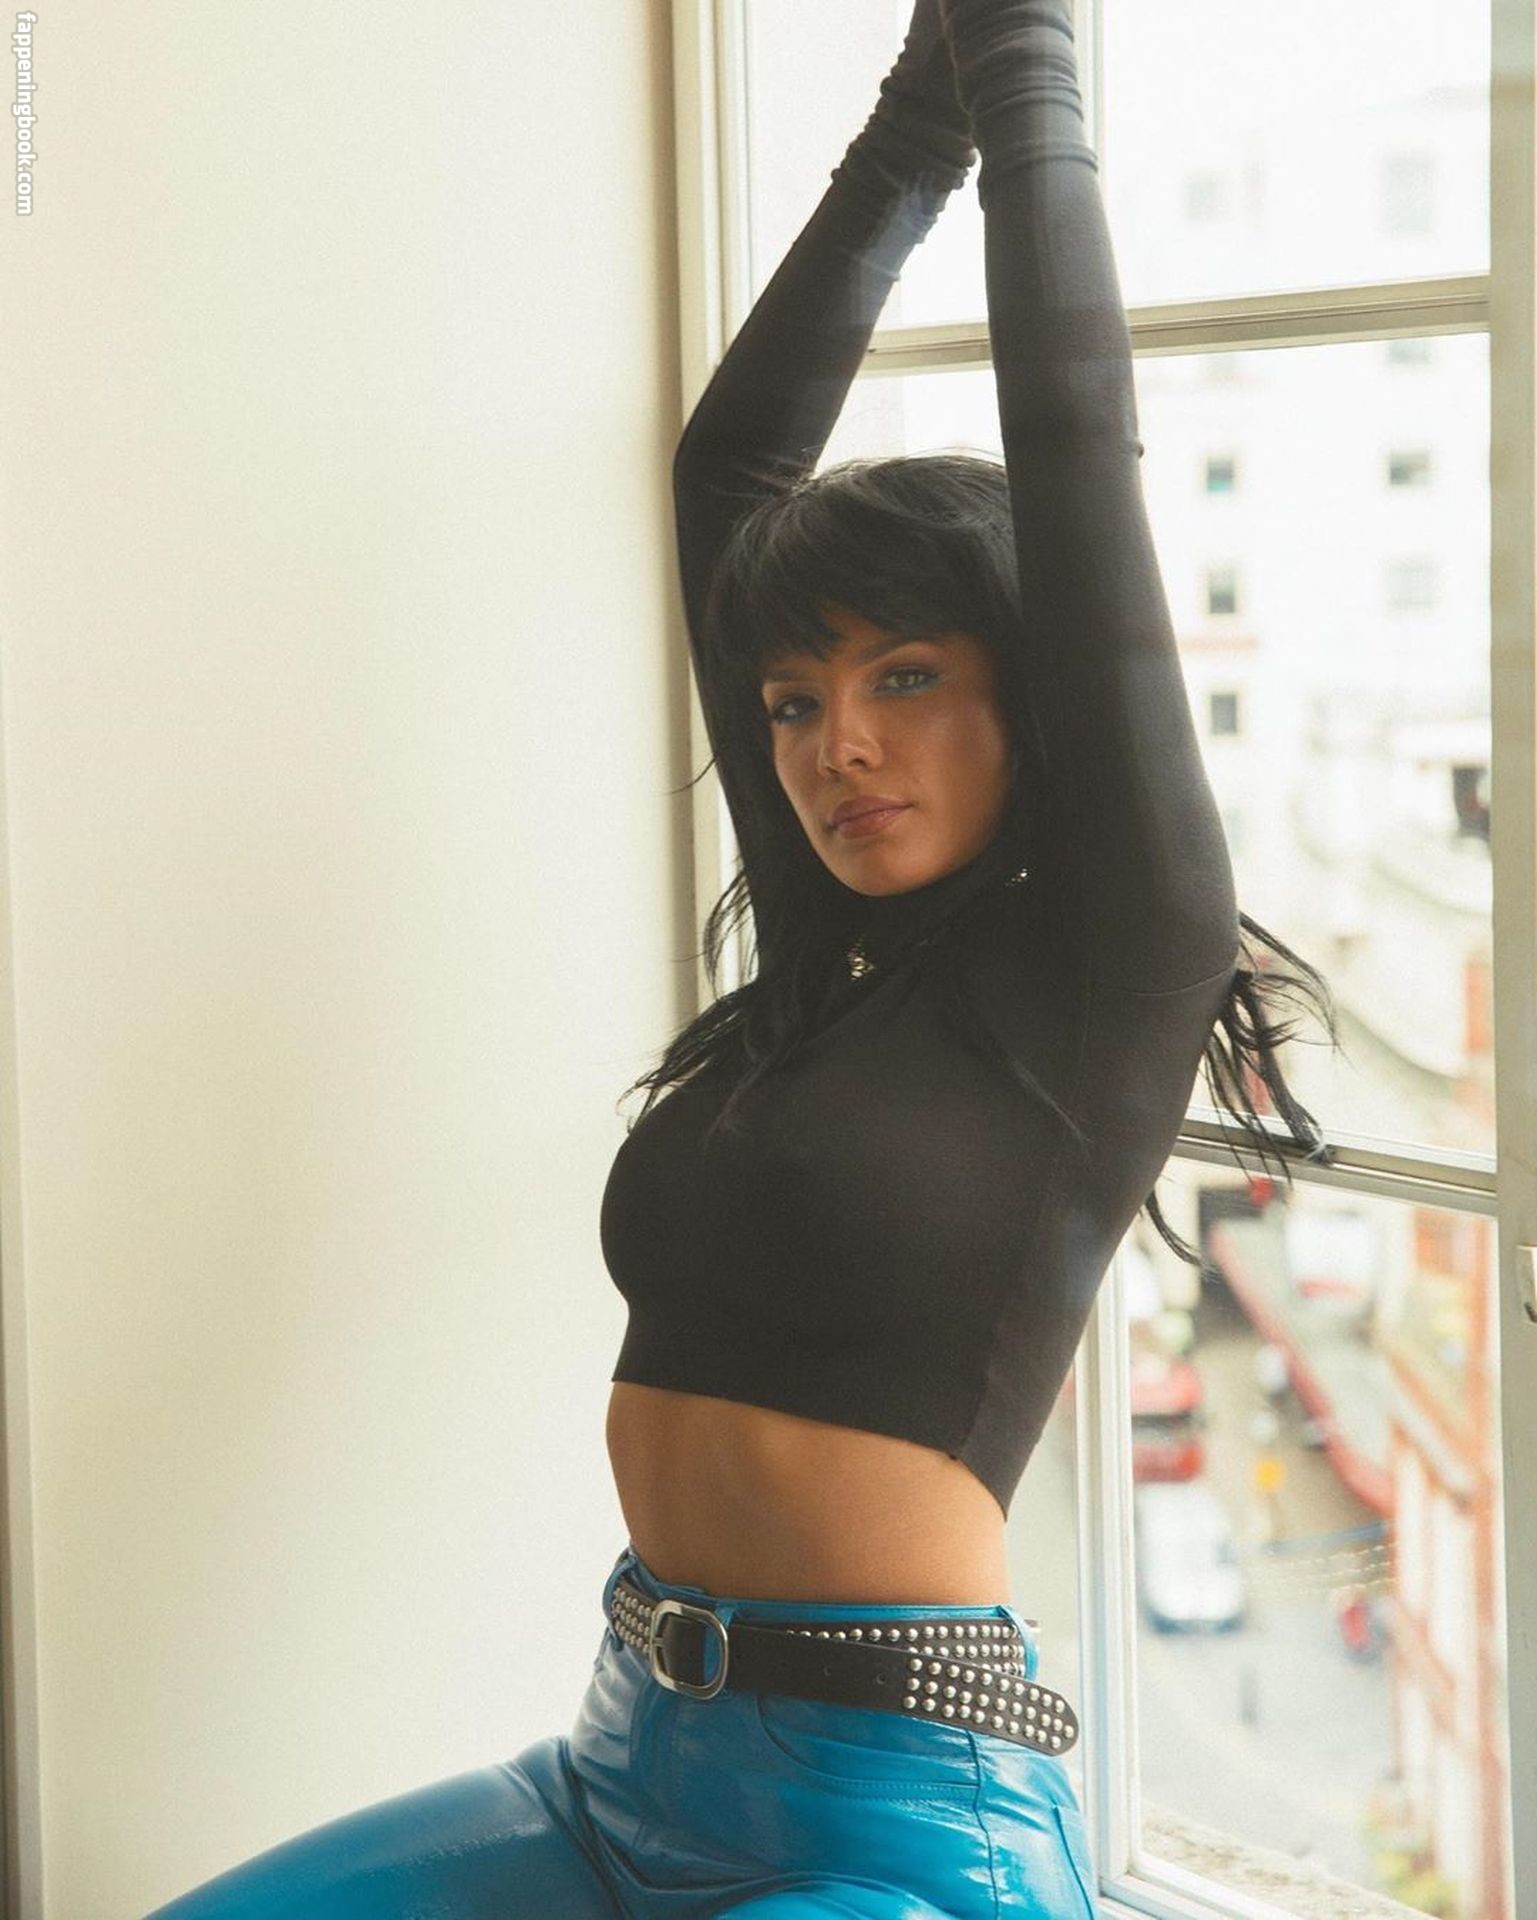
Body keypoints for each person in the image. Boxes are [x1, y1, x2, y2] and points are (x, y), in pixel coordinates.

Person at [143, 2, 1338, 1914]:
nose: (832, 745)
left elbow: (1075, 438)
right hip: (617, 1765)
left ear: (1035, 696)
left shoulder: (1110, 963)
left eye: (905, 678)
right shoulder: (819, 967)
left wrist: (1022, 61)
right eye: (791, 701)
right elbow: (731, 471)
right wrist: (912, 117)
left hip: (890, 1823)